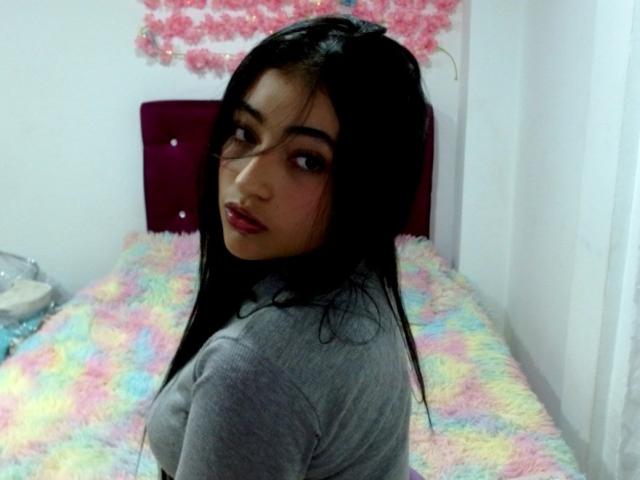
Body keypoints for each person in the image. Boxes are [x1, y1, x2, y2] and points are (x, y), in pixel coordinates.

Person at [144, 14, 433, 480]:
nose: (247, 181)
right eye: (244, 132)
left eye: (307, 160)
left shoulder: (251, 370)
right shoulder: (359, 274)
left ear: (367, 191)